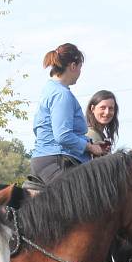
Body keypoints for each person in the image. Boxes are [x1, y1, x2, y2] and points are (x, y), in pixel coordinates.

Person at [32, 43, 107, 183]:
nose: (79, 72)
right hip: (58, 161)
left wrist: (90, 144)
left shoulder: (50, 89)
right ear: (73, 66)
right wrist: (90, 147)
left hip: (49, 159)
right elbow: (62, 136)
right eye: (80, 67)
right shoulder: (62, 95)